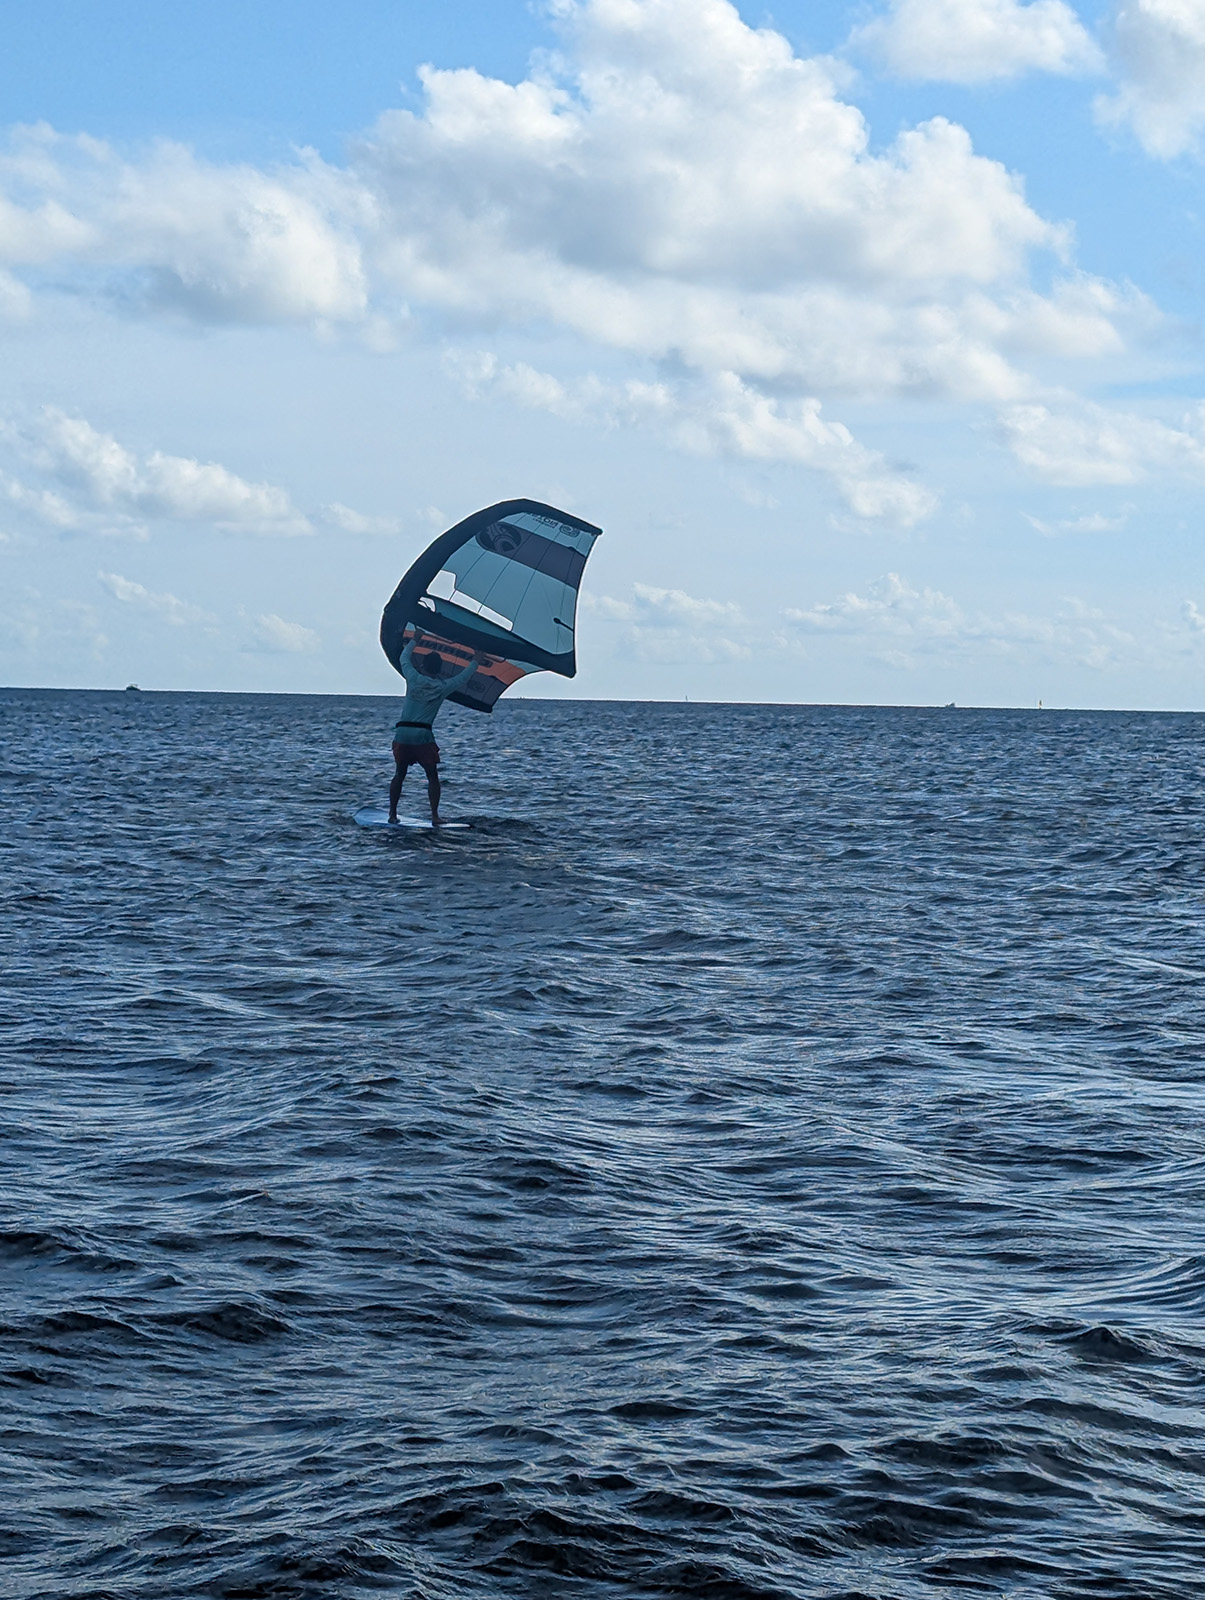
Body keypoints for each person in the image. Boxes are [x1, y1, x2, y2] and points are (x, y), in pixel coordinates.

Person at [389, 629, 489, 825]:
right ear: (440, 669)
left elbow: (404, 659)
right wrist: (476, 660)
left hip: (402, 733)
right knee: (432, 776)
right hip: (422, 735)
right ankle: (435, 816)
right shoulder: (443, 687)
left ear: (423, 666)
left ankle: (392, 815)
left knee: (400, 774)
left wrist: (415, 640)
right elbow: (463, 677)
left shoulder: (413, 678)